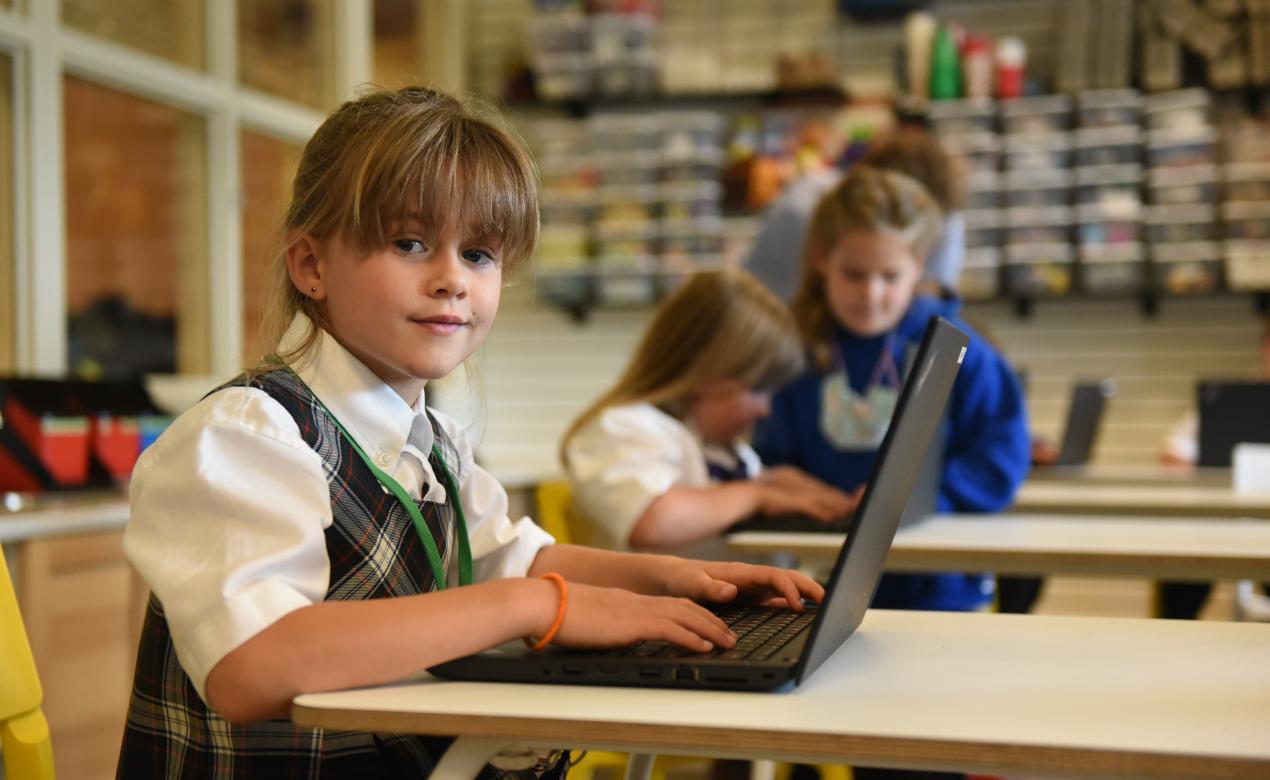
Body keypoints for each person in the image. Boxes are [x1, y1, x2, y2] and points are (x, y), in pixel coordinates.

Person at [117, 86, 824, 778]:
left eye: (479, 255)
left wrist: (684, 582)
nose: (452, 279)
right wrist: (534, 605)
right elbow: (252, 666)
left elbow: (517, 559)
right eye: (411, 242)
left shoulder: (432, 441)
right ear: (311, 266)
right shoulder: (250, 436)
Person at [754, 166, 1031, 615]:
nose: (871, 293)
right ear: (822, 258)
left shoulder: (959, 351)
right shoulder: (795, 351)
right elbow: (768, 459)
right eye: (854, 274)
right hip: (823, 585)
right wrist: (792, 490)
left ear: (918, 267)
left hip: (942, 587)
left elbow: (999, 461)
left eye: (890, 276)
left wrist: (912, 498)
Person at [561, 268, 857, 556]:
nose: (765, 409)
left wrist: (778, 484)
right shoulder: (621, 429)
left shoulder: (724, 450)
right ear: (707, 374)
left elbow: (721, 492)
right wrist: (757, 495)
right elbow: (653, 519)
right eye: (758, 387)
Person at [745, 123, 967, 303]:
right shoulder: (806, 213)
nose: (871, 292)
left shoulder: (944, 211)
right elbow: (829, 309)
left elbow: (933, 296)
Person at [1157, 319, 1270, 619]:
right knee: (1180, 567)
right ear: (1263, 350)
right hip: (1219, 520)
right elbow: (1172, 455)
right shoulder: (1228, 399)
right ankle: (1173, 641)